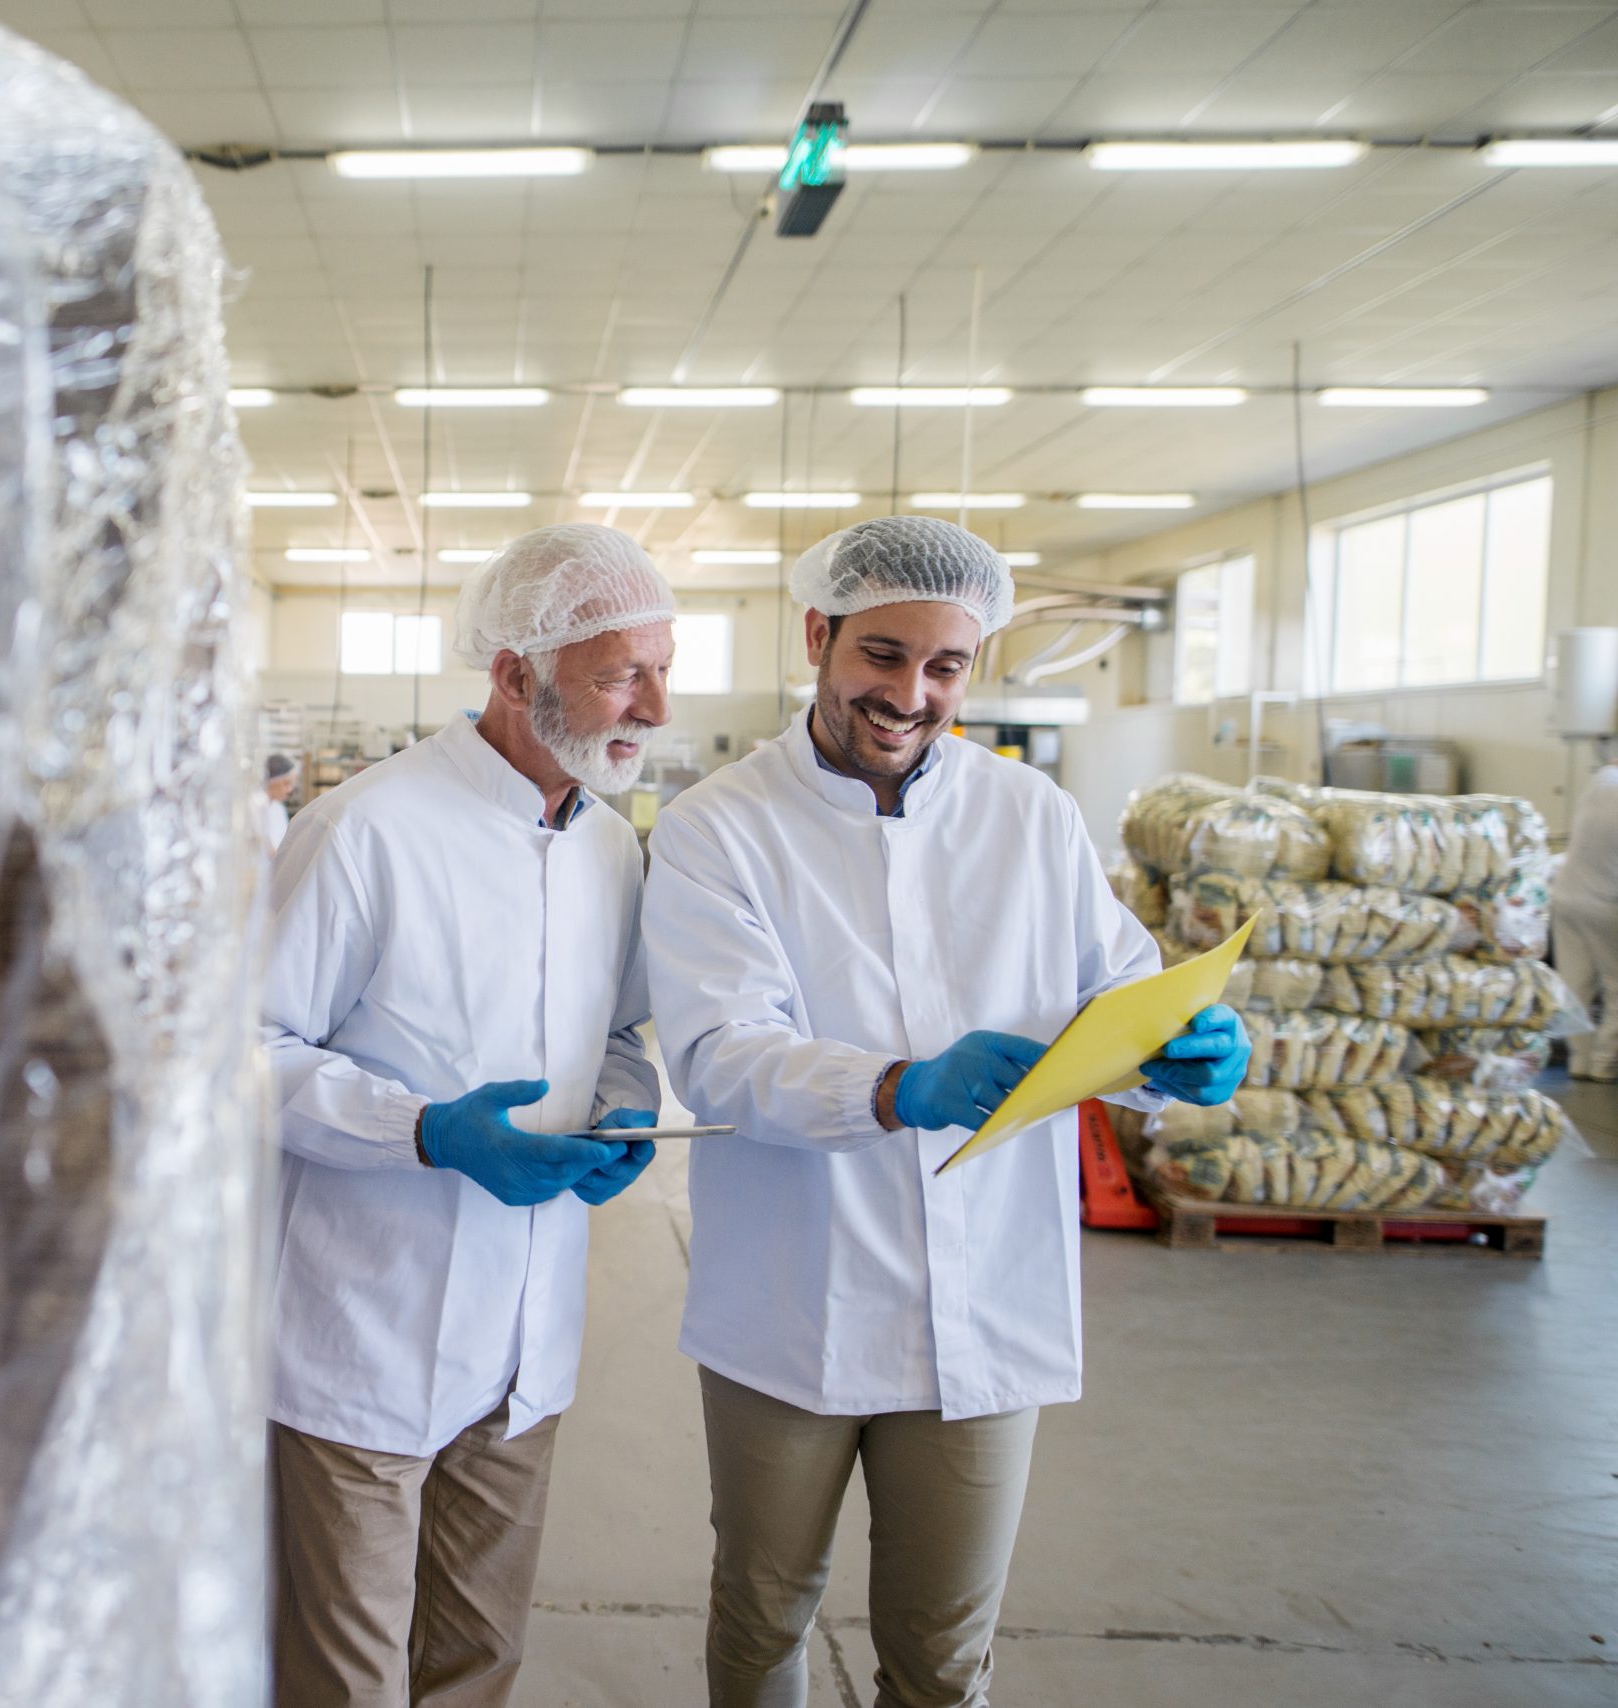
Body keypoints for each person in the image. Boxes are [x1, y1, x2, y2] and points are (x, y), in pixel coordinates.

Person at [641, 515, 1250, 1708]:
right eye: (880, 654)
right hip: (792, 1294)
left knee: (946, 1653)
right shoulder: (722, 825)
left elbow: (1111, 997)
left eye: (944, 664)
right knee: (763, 1617)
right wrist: (890, 1088)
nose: (908, 693)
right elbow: (718, 1053)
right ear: (817, 636)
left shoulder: (1030, 817)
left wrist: (1172, 1049)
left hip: (982, 1307)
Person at [260, 523, 677, 1708]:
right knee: (345, 1680)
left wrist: (625, 1116)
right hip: (361, 1341)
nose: (649, 704)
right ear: (513, 675)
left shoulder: (608, 847)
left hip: (521, 1353)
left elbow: (616, 1034)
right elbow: (239, 1053)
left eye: (660, 667)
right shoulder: (364, 831)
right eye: (617, 673)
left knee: (479, 1664)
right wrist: (425, 1131)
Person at [1552, 756, 1618, 1080]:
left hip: (1566, 895)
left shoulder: (1601, 780)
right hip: (1606, 903)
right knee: (1616, 985)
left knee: (1574, 984)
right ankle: (1605, 1064)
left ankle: (1580, 1060)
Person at [263, 750, 299, 855]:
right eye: (286, 784)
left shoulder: (279, 809)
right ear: (272, 780)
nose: (289, 791)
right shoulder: (254, 806)